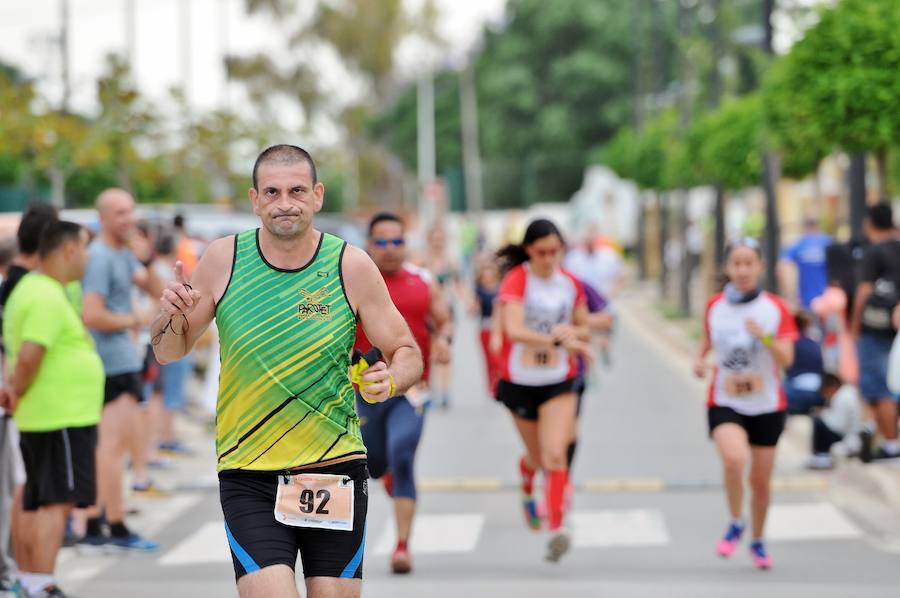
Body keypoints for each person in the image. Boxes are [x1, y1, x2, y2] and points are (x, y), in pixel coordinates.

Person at [150, 144, 423, 598]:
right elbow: (169, 351)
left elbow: (406, 349)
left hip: (333, 467)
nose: (285, 203)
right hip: (248, 469)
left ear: (317, 195)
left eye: (296, 190)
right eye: (272, 192)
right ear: (254, 199)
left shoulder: (349, 264)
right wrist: (169, 317)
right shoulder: (224, 259)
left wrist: (392, 379)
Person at [1, 220, 103, 598]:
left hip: (51, 413)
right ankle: (41, 582)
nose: (88, 256)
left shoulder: (38, 289)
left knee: (40, 497)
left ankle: (31, 579)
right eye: (84, 247)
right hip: (59, 414)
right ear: (69, 250)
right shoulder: (43, 294)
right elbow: (29, 354)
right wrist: (16, 388)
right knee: (55, 500)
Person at [355, 212, 451, 575]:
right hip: (362, 392)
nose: (391, 248)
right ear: (369, 243)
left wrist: (443, 341)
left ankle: (401, 546)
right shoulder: (351, 281)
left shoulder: (422, 280)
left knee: (403, 454)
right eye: (382, 241)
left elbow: (444, 320)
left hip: (411, 391)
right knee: (374, 465)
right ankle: (387, 475)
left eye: (398, 241)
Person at [693, 237, 797, 570]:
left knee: (761, 482)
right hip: (725, 400)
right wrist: (699, 359)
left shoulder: (774, 308)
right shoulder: (714, 306)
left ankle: (758, 539)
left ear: (760, 267)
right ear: (727, 268)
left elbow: (788, 358)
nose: (742, 270)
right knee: (735, 459)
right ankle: (736, 519)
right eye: (736, 263)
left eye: (748, 263)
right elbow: (707, 340)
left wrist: (764, 337)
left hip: (767, 403)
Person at [495, 219, 592, 563]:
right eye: (542, 252)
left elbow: (585, 326)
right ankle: (526, 475)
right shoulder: (518, 279)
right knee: (536, 457)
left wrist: (576, 335)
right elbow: (514, 329)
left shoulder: (570, 284)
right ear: (528, 251)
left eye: (555, 251)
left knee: (554, 454)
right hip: (519, 382)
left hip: (558, 380)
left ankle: (557, 529)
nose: (549, 259)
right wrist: (555, 337)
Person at [79, 189, 164, 551]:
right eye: (119, 213)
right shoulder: (98, 257)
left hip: (125, 361)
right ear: (102, 218)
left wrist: (144, 261)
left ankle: (105, 522)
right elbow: (91, 313)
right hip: (108, 365)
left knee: (121, 445)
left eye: (130, 211)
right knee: (111, 448)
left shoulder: (122, 254)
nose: (128, 219)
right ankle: (108, 525)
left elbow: (162, 292)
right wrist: (134, 318)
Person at [0, 203, 59, 598]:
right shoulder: (24, 285)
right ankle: (19, 572)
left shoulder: (19, 284)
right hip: (21, 401)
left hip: (19, 398)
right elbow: (21, 348)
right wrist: (14, 387)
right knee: (19, 488)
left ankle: (15, 571)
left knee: (17, 487)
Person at [850, 203, 900, 461]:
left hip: (875, 327)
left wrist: (854, 324)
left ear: (870, 223)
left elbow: (864, 291)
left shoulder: (873, 253)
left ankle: (891, 444)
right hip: (896, 330)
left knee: (879, 388)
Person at [806, 374, 864, 470]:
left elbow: (838, 425)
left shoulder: (843, 397)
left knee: (819, 423)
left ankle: (823, 455)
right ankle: (821, 455)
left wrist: (822, 414)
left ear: (832, 387)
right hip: (848, 433)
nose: (825, 396)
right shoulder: (846, 392)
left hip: (850, 438)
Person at [777, 217, 832, 310]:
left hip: (805, 299)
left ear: (805, 226)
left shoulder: (798, 244)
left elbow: (781, 268)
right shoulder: (828, 243)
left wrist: (788, 295)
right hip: (827, 298)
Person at [470, 256, 502, 397]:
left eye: (490, 273)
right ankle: (492, 386)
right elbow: (473, 309)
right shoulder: (479, 291)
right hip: (485, 327)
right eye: (485, 273)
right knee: (489, 359)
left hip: (500, 328)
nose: (488, 276)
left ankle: (500, 383)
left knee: (498, 359)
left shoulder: (502, 288)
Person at [784, 311, 824, 415]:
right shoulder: (814, 343)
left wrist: (763, 335)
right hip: (819, 391)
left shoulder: (790, 344)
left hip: (797, 392)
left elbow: (769, 343)